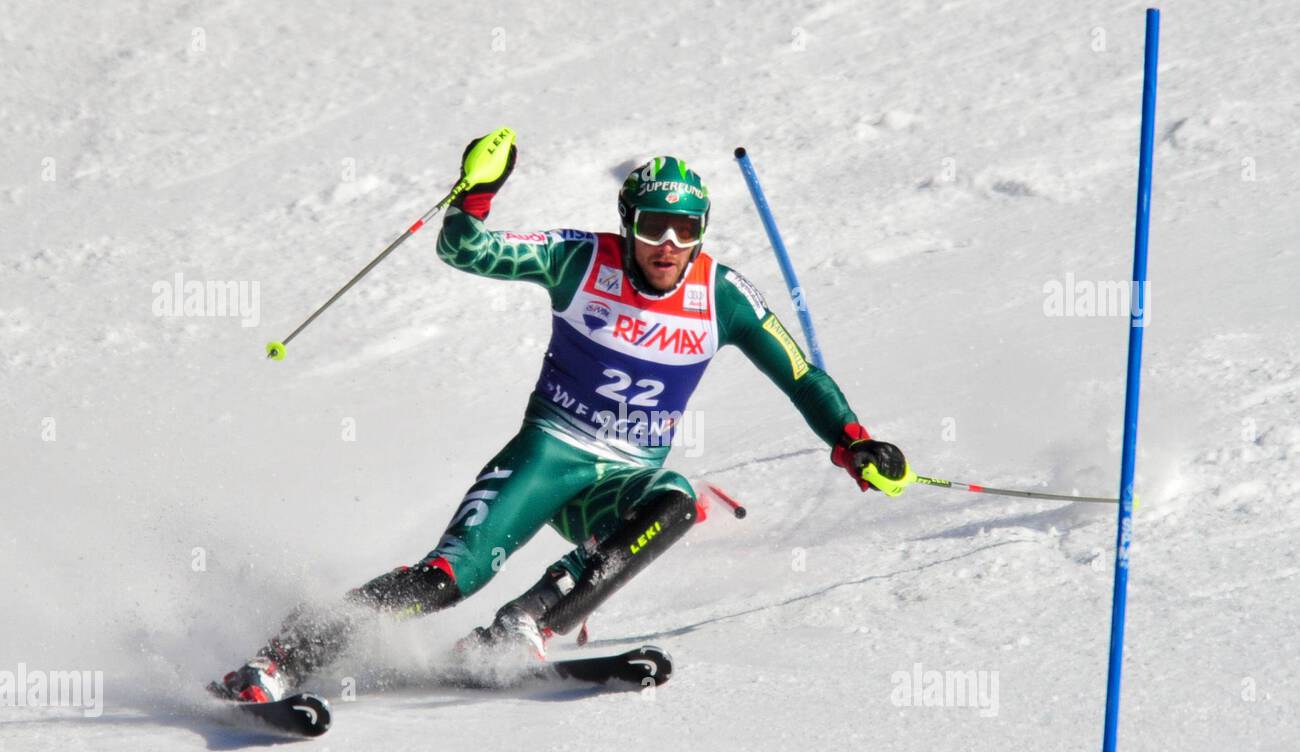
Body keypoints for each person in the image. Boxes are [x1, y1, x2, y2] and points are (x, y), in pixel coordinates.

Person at [215, 138, 913, 703]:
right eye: (652, 226)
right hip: (546, 457)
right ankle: (282, 655)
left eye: (686, 229)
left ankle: (524, 626)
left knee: (677, 498)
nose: (667, 244)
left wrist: (854, 442)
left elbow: (799, 374)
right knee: (441, 581)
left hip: (621, 486)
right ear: (626, 223)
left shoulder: (720, 294)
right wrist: (475, 198)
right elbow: (466, 249)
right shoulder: (581, 259)